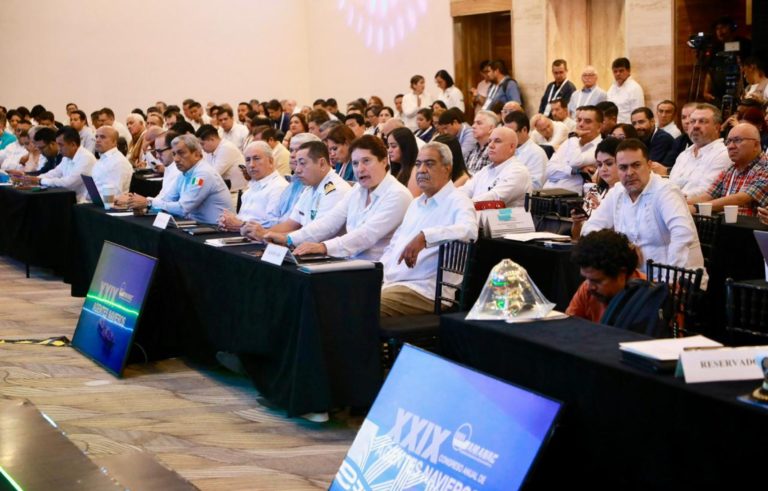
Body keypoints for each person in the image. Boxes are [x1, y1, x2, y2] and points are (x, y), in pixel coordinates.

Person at [268, 135, 412, 261]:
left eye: (366, 161)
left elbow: (366, 235)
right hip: (350, 263)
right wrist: (289, 239)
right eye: (355, 163)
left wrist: (324, 247)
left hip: (379, 269)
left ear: (384, 161)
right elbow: (330, 222)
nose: (360, 169)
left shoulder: (397, 194)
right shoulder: (357, 190)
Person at [582, 138, 706, 278]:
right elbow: (589, 229)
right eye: (623, 167)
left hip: (677, 279)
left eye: (636, 165)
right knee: (590, 284)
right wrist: (618, 247)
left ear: (649, 165)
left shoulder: (666, 191)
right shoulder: (617, 192)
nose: (629, 173)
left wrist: (671, 278)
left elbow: (682, 233)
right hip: (636, 279)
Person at [380, 142, 478, 316]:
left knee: (361, 305)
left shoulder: (459, 201)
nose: (421, 170)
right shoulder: (416, 204)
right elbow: (393, 246)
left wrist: (426, 237)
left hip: (425, 291)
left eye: (429, 164)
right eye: (418, 164)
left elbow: (470, 231)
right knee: (343, 294)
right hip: (392, 283)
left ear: (447, 168)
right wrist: (376, 274)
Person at [242, 141, 351, 240]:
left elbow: (318, 233)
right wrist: (263, 233)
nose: (297, 170)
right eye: (297, 163)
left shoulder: (335, 190)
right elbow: (291, 224)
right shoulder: (310, 188)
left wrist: (279, 237)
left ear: (321, 164)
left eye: (302, 163)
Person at [147, 134, 232, 223]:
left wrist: (149, 203)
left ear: (196, 154)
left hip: (216, 228)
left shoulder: (203, 174)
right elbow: (167, 199)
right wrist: (147, 205)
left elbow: (182, 208)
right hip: (198, 225)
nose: (176, 159)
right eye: (174, 154)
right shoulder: (184, 173)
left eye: (181, 153)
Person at [687, 123, 768, 216]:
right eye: (728, 141)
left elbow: (741, 199)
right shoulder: (730, 169)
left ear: (756, 145)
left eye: (737, 140)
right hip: (725, 223)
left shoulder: (765, 167)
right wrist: (681, 203)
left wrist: (696, 208)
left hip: (750, 224)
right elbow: (707, 196)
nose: (730, 146)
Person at [567, 230, 646, 323]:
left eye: (597, 281)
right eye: (587, 279)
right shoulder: (587, 290)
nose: (589, 287)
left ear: (622, 274)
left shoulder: (649, 298)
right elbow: (569, 325)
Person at [217, 141, 288, 231]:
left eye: (256, 158)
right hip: (242, 235)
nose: (251, 165)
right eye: (248, 160)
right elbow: (244, 218)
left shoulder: (279, 187)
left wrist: (240, 225)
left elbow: (273, 225)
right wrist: (228, 222)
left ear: (270, 161)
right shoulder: (251, 188)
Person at [668, 104, 730, 196]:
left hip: (695, 204)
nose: (695, 126)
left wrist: (669, 197)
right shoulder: (684, 155)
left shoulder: (723, 154)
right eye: (692, 121)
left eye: (702, 121)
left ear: (717, 128)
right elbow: (670, 184)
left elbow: (706, 192)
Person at [460, 127, 531, 207]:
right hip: (475, 212)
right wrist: (453, 200)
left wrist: (461, 204)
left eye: (497, 141)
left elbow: (494, 198)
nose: (490, 145)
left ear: (511, 147)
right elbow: (465, 190)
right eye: (489, 141)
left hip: (500, 215)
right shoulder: (485, 170)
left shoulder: (518, 172)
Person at [19, 127, 95, 202]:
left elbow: (68, 183)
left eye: (61, 145)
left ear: (73, 145)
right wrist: (31, 179)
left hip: (82, 202)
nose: (58, 148)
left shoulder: (86, 158)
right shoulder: (67, 157)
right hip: (69, 198)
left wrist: (40, 181)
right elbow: (54, 173)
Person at [544, 105, 603, 194]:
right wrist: (574, 171)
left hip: (569, 198)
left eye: (587, 121)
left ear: (599, 127)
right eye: (579, 120)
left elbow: (575, 162)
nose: (581, 124)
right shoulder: (570, 142)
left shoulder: (600, 147)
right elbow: (548, 170)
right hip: (546, 193)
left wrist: (574, 136)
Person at [570, 137, 622, 238]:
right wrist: (577, 222)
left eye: (609, 163)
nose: (603, 169)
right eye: (599, 164)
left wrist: (603, 214)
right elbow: (577, 237)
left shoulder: (628, 193)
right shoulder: (595, 191)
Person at [124, 130, 181, 210]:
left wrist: (147, 202)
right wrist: (134, 200)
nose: (157, 156)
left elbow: (169, 201)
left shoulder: (179, 170)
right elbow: (162, 197)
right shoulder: (169, 167)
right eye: (156, 151)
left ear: (173, 149)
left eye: (160, 151)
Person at [196, 124, 247, 195]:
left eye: (202, 144)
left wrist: (194, 182)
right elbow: (203, 172)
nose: (201, 147)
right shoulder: (210, 151)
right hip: (224, 192)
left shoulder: (226, 148)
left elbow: (211, 176)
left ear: (212, 139)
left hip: (236, 194)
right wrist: (194, 181)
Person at [505, 111, 547, 190]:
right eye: (506, 133)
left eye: (511, 133)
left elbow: (535, 186)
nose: (507, 137)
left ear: (524, 130)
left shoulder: (537, 154)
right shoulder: (506, 150)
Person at [91, 126, 133, 198]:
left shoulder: (119, 162)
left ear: (114, 142)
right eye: (96, 137)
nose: (97, 140)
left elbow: (114, 194)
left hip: (108, 203)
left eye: (102, 137)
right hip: (95, 200)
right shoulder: (103, 158)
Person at [606, 58, 645, 123]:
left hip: (627, 127)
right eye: (615, 71)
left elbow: (638, 113)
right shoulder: (611, 88)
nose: (618, 74)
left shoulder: (635, 88)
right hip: (613, 126)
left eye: (621, 71)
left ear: (628, 71)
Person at [387, 127, 421, 196]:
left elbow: (412, 200)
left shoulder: (415, 171)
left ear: (405, 146)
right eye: (388, 146)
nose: (389, 150)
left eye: (393, 146)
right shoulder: (398, 168)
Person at [464, 110, 498, 175]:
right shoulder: (472, 149)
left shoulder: (494, 151)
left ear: (491, 128)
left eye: (479, 123)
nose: (473, 126)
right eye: (474, 123)